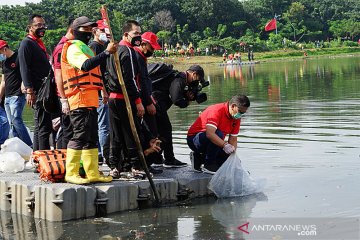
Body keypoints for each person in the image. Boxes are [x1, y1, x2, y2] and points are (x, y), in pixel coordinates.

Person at [61, 16, 117, 184]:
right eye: (84, 29)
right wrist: (106, 52)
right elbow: (85, 65)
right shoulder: (72, 48)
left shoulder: (86, 47)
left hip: (91, 100)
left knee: (91, 137)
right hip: (79, 98)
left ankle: (92, 172)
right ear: (75, 30)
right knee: (80, 136)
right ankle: (71, 172)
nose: (88, 32)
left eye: (90, 29)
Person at [106, 20, 145, 178]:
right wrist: (138, 101)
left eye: (139, 33)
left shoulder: (114, 50)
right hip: (123, 98)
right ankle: (134, 165)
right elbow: (130, 80)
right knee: (130, 132)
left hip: (113, 99)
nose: (138, 36)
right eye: (136, 33)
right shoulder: (127, 51)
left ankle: (114, 166)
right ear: (126, 34)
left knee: (116, 134)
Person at [151, 64, 207, 168]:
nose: (197, 82)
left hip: (155, 105)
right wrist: (187, 101)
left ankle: (157, 158)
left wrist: (187, 95)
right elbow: (176, 99)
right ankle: (169, 159)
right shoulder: (180, 79)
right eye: (198, 79)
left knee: (159, 132)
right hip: (156, 106)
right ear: (194, 74)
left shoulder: (179, 78)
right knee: (166, 130)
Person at [187, 95, 250, 174]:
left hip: (213, 143)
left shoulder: (236, 118)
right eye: (240, 112)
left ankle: (198, 158)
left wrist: (233, 156)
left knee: (228, 158)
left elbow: (233, 139)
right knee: (218, 133)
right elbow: (210, 134)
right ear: (233, 106)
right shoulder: (217, 110)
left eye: (243, 113)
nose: (241, 115)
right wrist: (224, 145)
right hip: (195, 139)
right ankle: (209, 165)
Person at [18, 14, 52, 150]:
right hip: (37, 90)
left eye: (43, 25)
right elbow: (24, 68)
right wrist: (29, 90)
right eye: (38, 25)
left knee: (41, 125)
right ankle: (42, 157)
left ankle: (38, 156)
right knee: (43, 126)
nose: (42, 28)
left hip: (44, 89)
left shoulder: (38, 43)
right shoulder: (27, 43)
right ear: (30, 27)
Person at [134, 31, 162, 174]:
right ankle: (144, 163)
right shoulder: (137, 57)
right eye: (151, 48)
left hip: (145, 98)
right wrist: (146, 102)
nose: (152, 51)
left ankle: (149, 162)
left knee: (151, 131)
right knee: (148, 132)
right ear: (143, 44)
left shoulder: (141, 57)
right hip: (141, 101)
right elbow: (141, 83)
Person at [0, 40, 32, 147]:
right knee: (11, 123)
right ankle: (17, 145)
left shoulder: (18, 58)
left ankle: (29, 145)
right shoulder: (4, 62)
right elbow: (3, 81)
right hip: (7, 97)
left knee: (16, 119)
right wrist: (0, 97)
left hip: (17, 95)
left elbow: (26, 73)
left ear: (5, 49)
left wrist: (24, 84)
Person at [89, 20, 110, 166]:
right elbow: (97, 71)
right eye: (102, 31)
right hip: (99, 91)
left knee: (100, 124)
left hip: (101, 89)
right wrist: (103, 90)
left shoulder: (102, 46)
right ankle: (103, 153)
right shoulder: (95, 46)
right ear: (95, 31)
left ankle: (100, 153)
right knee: (103, 125)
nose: (105, 34)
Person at [52, 18, 74, 149]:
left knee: (69, 129)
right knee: (67, 131)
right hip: (65, 95)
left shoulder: (71, 46)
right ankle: (64, 161)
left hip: (71, 94)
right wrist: (63, 99)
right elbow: (58, 74)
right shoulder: (63, 48)